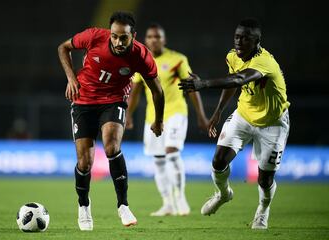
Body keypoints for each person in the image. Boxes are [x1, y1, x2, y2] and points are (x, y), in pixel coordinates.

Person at [57, 11, 164, 231]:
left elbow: (157, 91)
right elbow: (63, 48)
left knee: (111, 146)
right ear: (110, 33)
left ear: (133, 35)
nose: (118, 41)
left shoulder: (141, 55)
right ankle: (84, 206)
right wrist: (70, 78)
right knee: (85, 162)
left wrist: (158, 120)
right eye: (114, 36)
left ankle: (123, 205)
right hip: (83, 101)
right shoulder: (94, 36)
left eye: (123, 37)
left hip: (113, 101)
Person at [179, 18, 290, 229]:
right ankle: (223, 194)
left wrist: (203, 84)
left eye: (245, 38)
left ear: (257, 41)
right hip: (244, 116)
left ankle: (262, 210)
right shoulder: (233, 55)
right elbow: (232, 82)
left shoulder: (264, 62)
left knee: (265, 179)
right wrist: (218, 111)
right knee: (218, 160)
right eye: (237, 37)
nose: (239, 42)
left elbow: (240, 80)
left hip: (273, 123)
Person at [126, 24, 208, 216]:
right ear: (145, 39)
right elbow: (135, 92)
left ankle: (180, 197)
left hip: (176, 113)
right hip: (152, 118)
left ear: (164, 39)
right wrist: (128, 114)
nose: (153, 40)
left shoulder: (178, 59)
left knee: (171, 152)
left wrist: (201, 116)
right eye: (150, 36)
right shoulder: (140, 61)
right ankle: (168, 203)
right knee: (159, 160)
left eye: (157, 36)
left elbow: (191, 88)